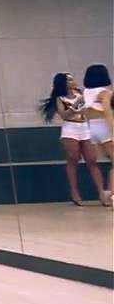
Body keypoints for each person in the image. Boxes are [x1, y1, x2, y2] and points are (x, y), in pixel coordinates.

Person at [39, 72, 104, 206]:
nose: (73, 81)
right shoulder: (60, 98)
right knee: (73, 159)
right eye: (69, 80)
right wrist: (75, 107)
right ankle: (74, 192)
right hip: (70, 129)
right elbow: (64, 115)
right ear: (64, 83)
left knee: (92, 160)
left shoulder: (81, 93)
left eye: (72, 79)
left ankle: (101, 193)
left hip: (84, 127)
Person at [81, 64, 114, 207]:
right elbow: (108, 113)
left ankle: (102, 193)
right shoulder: (104, 92)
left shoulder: (86, 93)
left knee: (93, 163)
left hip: (91, 128)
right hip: (104, 126)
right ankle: (112, 195)